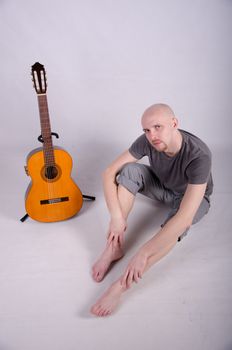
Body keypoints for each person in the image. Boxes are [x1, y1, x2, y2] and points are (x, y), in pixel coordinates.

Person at [90, 103, 213, 317]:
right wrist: (117, 218)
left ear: (174, 123)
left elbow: (184, 218)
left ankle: (119, 287)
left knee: (176, 228)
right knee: (129, 171)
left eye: (158, 127)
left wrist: (143, 251)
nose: (152, 135)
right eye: (146, 130)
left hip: (191, 199)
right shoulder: (148, 142)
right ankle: (113, 248)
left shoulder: (199, 154)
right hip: (164, 187)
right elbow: (108, 173)